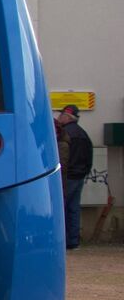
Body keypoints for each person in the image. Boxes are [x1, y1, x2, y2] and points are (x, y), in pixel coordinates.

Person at [56, 104, 93, 249]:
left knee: (62, 208)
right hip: (79, 176)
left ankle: (63, 241)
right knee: (74, 209)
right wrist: (84, 171)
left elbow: (62, 158)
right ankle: (73, 241)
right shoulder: (83, 134)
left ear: (67, 116)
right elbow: (89, 155)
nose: (58, 118)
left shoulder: (64, 134)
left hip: (68, 177)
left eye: (61, 115)